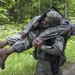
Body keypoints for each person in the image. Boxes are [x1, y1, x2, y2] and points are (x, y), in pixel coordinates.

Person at [0, 10, 74, 74]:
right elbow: (36, 20)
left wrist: (40, 45)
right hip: (42, 62)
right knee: (27, 34)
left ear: (53, 25)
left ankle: (6, 51)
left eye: (47, 22)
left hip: (54, 63)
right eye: (44, 20)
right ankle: (4, 46)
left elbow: (57, 49)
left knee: (31, 35)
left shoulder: (60, 32)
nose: (44, 22)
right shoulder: (42, 20)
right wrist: (28, 28)